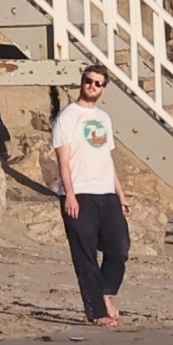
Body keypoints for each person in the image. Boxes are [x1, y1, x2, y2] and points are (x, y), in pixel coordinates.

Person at [52, 64, 132, 328]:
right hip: (80, 194)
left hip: (106, 193)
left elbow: (107, 159)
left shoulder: (104, 118)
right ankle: (96, 311)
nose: (92, 86)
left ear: (103, 88)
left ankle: (105, 294)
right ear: (82, 82)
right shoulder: (67, 117)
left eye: (98, 83)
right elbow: (63, 162)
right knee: (85, 255)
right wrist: (70, 195)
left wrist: (121, 195)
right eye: (88, 81)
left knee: (119, 247)